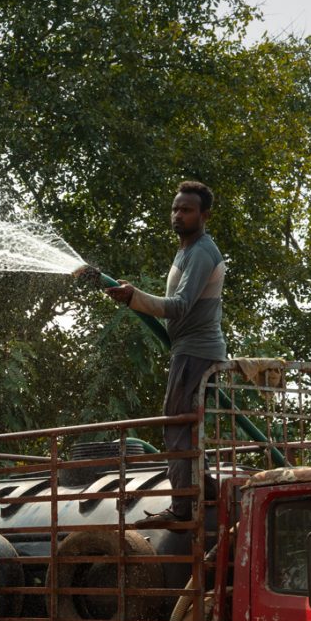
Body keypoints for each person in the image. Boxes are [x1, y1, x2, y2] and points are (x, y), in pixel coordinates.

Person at [73, 179, 226, 523]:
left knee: (177, 427)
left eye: (186, 210)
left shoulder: (202, 251)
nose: (178, 215)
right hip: (189, 352)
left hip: (196, 353)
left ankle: (182, 510)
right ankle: (211, 493)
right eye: (175, 208)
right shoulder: (186, 250)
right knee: (183, 428)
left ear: (205, 216)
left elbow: (180, 306)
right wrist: (133, 297)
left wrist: (134, 297)